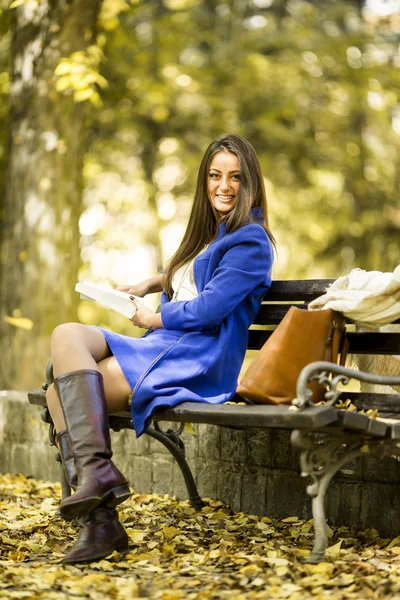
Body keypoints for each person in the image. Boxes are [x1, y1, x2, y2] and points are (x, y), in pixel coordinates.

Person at [46, 133, 275, 564]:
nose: (223, 186)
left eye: (235, 177)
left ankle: (99, 521)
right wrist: (153, 283)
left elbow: (210, 308)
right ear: (204, 181)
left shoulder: (251, 241)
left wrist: (152, 316)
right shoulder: (214, 234)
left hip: (196, 356)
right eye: (214, 175)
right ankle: (99, 480)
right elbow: (194, 272)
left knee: (60, 392)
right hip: (167, 345)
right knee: (65, 336)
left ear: (251, 184)